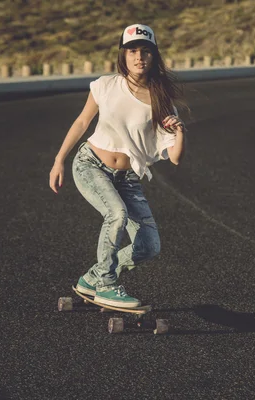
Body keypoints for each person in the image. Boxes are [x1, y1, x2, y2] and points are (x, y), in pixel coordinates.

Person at [49, 24, 187, 308]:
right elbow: (82, 122)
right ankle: (107, 285)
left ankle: (92, 278)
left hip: (127, 178)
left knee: (149, 245)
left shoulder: (162, 103)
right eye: (133, 51)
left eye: (145, 52)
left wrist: (180, 130)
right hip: (91, 164)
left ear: (154, 57)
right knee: (116, 213)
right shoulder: (106, 85)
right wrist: (58, 159)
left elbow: (174, 157)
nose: (139, 58)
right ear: (123, 56)